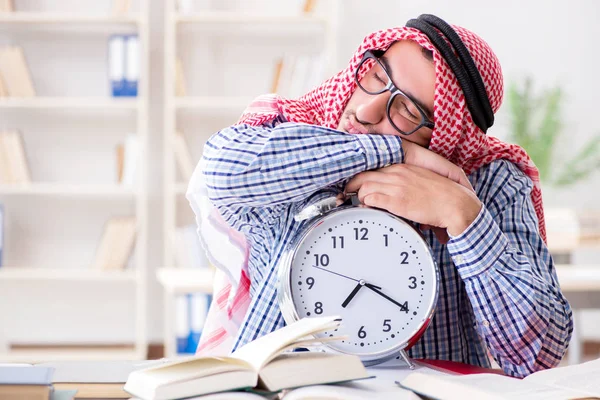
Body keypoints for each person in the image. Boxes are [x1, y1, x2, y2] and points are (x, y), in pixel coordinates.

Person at [186, 14, 573, 378]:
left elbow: (537, 358)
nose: (368, 111)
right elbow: (220, 172)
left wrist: (462, 216)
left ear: (448, 140)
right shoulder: (295, 134)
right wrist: (394, 150)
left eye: (405, 111)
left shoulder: (489, 182)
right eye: (375, 76)